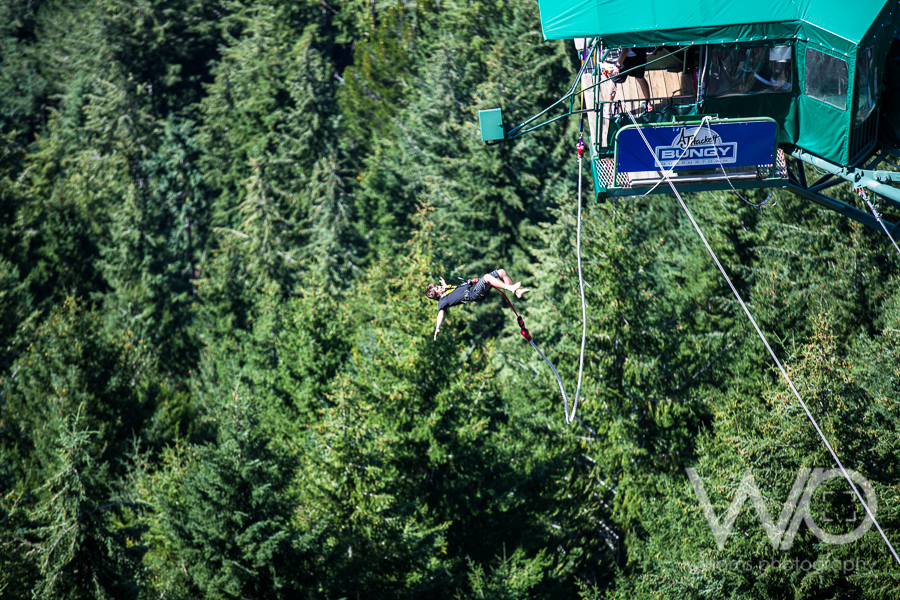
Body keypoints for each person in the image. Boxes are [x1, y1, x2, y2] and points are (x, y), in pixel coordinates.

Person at [426, 269, 529, 340]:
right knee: (487, 277)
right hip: (474, 293)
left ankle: (517, 292)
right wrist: (437, 327)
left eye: (438, 286)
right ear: (437, 296)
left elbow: (452, 291)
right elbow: (440, 314)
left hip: (474, 286)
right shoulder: (443, 301)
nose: (440, 287)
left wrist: (444, 285)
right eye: (438, 288)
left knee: (501, 272)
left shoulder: (446, 291)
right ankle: (511, 288)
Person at [609, 47, 652, 112]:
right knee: (640, 78)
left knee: (613, 79)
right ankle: (649, 105)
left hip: (628, 57)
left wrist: (618, 66)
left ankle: (607, 109)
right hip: (640, 56)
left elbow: (625, 50)